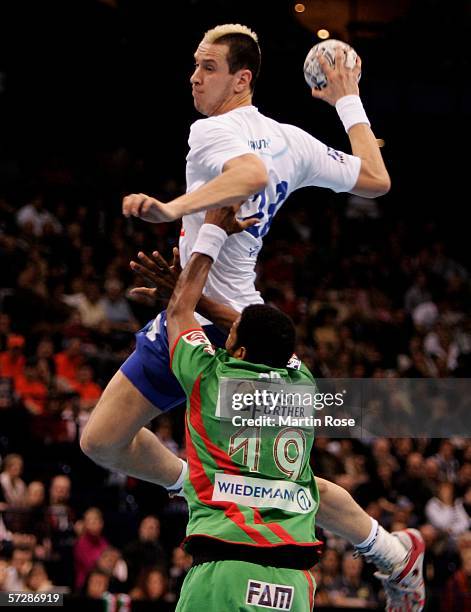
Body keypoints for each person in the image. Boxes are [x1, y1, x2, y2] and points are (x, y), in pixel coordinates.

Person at [81, 24, 423, 609]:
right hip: (222, 312)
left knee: (109, 444)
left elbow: (250, 176)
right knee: (108, 441)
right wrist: (347, 99)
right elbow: (376, 178)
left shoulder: (212, 129)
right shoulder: (292, 139)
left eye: (208, 67)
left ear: (242, 79)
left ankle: (386, 552)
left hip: (218, 328)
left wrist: (171, 208)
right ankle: (391, 552)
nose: (194, 76)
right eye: (193, 64)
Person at [131, 208, 424, 610]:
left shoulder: (208, 377)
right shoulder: (300, 383)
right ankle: (390, 553)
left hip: (225, 570)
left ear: (242, 349)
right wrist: (191, 295)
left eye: (231, 334)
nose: (227, 330)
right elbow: (235, 322)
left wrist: (212, 231)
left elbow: (179, 313)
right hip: (292, 582)